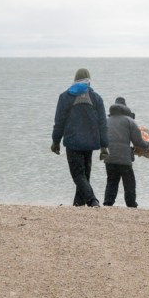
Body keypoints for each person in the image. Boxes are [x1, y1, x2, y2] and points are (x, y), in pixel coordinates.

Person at [51, 68, 108, 207]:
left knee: (78, 174)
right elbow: (102, 124)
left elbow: (59, 121)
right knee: (85, 174)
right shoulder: (96, 98)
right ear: (89, 80)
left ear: (75, 79)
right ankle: (78, 204)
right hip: (90, 142)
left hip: (73, 142)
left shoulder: (65, 97)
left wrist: (55, 141)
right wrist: (104, 146)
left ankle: (92, 200)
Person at [103, 97, 149, 208]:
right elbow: (138, 141)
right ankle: (131, 204)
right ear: (125, 109)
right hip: (124, 158)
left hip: (109, 157)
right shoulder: (129, 121)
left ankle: (108, 202)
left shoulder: (106, 121)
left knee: (111, 181)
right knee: (129, 182)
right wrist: (148, 146)